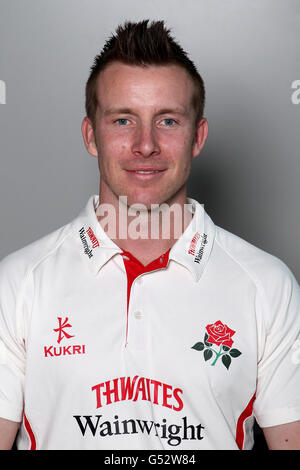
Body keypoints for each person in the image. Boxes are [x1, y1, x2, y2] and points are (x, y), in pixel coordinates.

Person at [0, 19, 300, 451]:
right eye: (123, 120)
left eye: (168, 121)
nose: (145, 145)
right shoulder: (18, 283)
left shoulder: (269, 286)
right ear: (91, 135)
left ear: (197, 137)